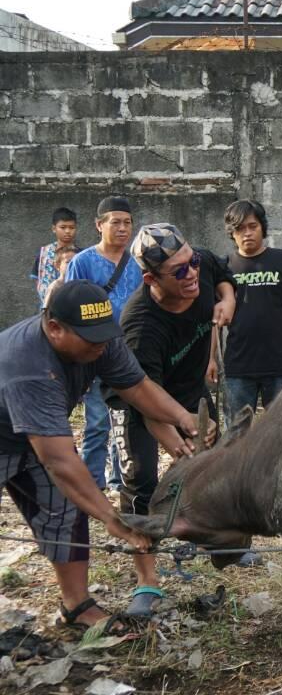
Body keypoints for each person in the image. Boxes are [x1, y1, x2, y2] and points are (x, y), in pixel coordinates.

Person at [0, 280, 197, 633]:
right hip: (13, 434)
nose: (103, 344)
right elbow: (59, 461)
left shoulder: (101, 341)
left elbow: (136, 386)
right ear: (55, 328)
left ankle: (77, 606)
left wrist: (183, 417)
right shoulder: (29, 366)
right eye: (93, 339)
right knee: (73, 487)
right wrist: (110, 517)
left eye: (106, 334)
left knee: (66, 510)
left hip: (36, 437)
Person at [111, 223, 236, 617]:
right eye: (180, 271)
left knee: (214, 465)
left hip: (188, 391)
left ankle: (219, 541)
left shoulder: (199, 267)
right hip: (137, 402)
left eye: (192, 262)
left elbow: (224, 275)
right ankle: (147, 581)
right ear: (151, 278)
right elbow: (142, 394)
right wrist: (174, 432)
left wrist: (227, 299)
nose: (192, 273)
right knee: (142, 481)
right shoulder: (140, 325)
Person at [65, 196, 143, 492]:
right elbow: (71, 304)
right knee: (97, 422)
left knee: (123, 421)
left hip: (129, 354)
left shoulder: (138, 260)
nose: (123, 228)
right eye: (116, 222)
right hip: (94, 352)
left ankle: (119, 480)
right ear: (99, 225)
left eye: (127, 223)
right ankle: (91, 482)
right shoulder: (82, 262)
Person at [220, 199, 282, 425]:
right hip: (238, 366)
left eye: (252, 226)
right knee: (237, 435)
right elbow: (215, 317)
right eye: (240, 229)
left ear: (262, 228)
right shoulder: (224, 266)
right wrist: (210, 360)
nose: (247, 233)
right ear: (232, 234)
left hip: (279, 364)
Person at [31, 207, 79, 308]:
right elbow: (38, 281)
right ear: (54, 228)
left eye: (71, 227)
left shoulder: (81, 254)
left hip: (74, 308)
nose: (67, 231)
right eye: (63, 227)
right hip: (47, 308)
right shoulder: (43, 254)